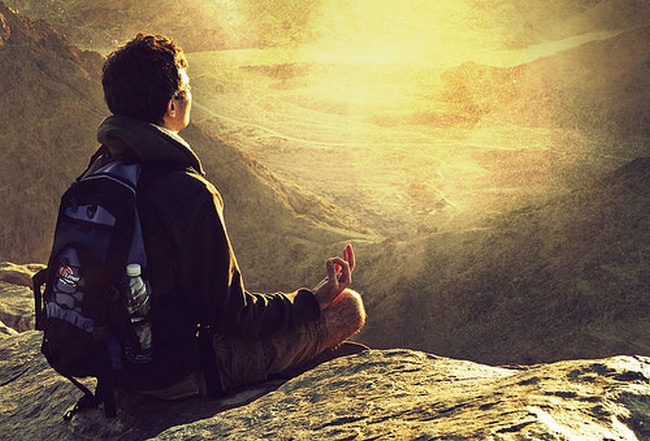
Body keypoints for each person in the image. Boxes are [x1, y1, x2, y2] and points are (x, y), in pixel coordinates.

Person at [93, 33, 366, 399]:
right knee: (349, 307)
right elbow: (234, 316)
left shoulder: (101, 174)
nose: (191, 96)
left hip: (114, 365)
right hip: (176, 372)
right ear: (172, 107)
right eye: (187, 89)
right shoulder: (188, 191)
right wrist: (313, 299)